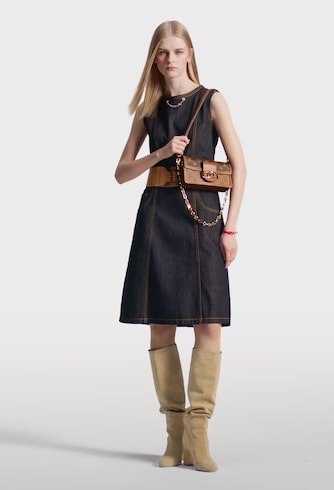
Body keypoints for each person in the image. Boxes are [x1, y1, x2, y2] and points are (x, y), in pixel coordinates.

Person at [114, 20, 246, 472]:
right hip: (158, 218)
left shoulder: (212, 100)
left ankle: (199, 433)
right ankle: (174, 435)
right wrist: (160, 152)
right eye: (162, 52)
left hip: (203, 219)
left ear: (190, 53)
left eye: (177, 50)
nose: (169, 59)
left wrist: (231, 230)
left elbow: (240, 167)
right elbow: (121, 172)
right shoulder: (148, 108)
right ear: (154, 58)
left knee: (209, 323)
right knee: (161, 325)